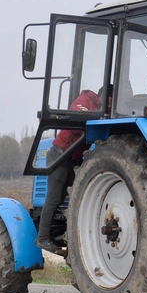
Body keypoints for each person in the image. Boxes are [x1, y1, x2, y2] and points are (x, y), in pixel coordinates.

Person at [35, 86, 107, 254]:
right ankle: (43, 238)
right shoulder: (85, 100)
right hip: (60, 154)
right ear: (103, 95)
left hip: (71, 159)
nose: (109, 105)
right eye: (109, 100)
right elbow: (76, 122)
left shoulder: (98, 108)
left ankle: (61, 234)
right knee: (54, 197)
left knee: (72, 196)